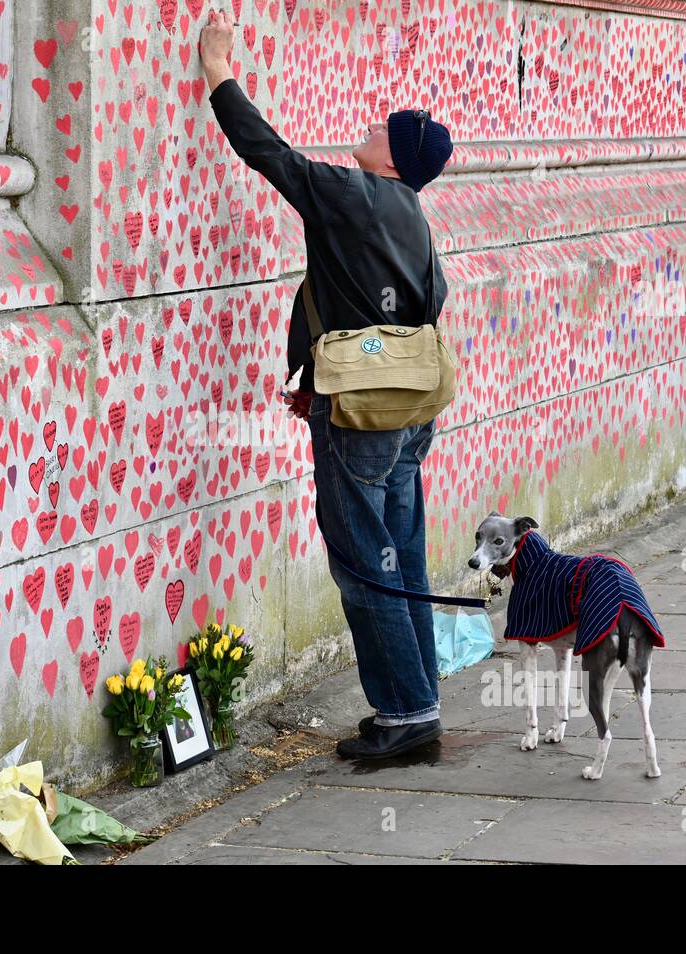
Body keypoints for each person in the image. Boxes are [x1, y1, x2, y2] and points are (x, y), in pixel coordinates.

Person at [199, 10, 454, 759]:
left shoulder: (354, 193)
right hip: (408, 416)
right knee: (401, 555)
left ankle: (405, 715)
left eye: (387, 130)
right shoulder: (412, 216)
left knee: (360, 560)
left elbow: (268, 154)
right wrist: (318, 374)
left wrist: (219, 71)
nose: (373, 129)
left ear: (395, 159)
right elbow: (402, 312)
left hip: (362, 420)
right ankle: (419, 699)